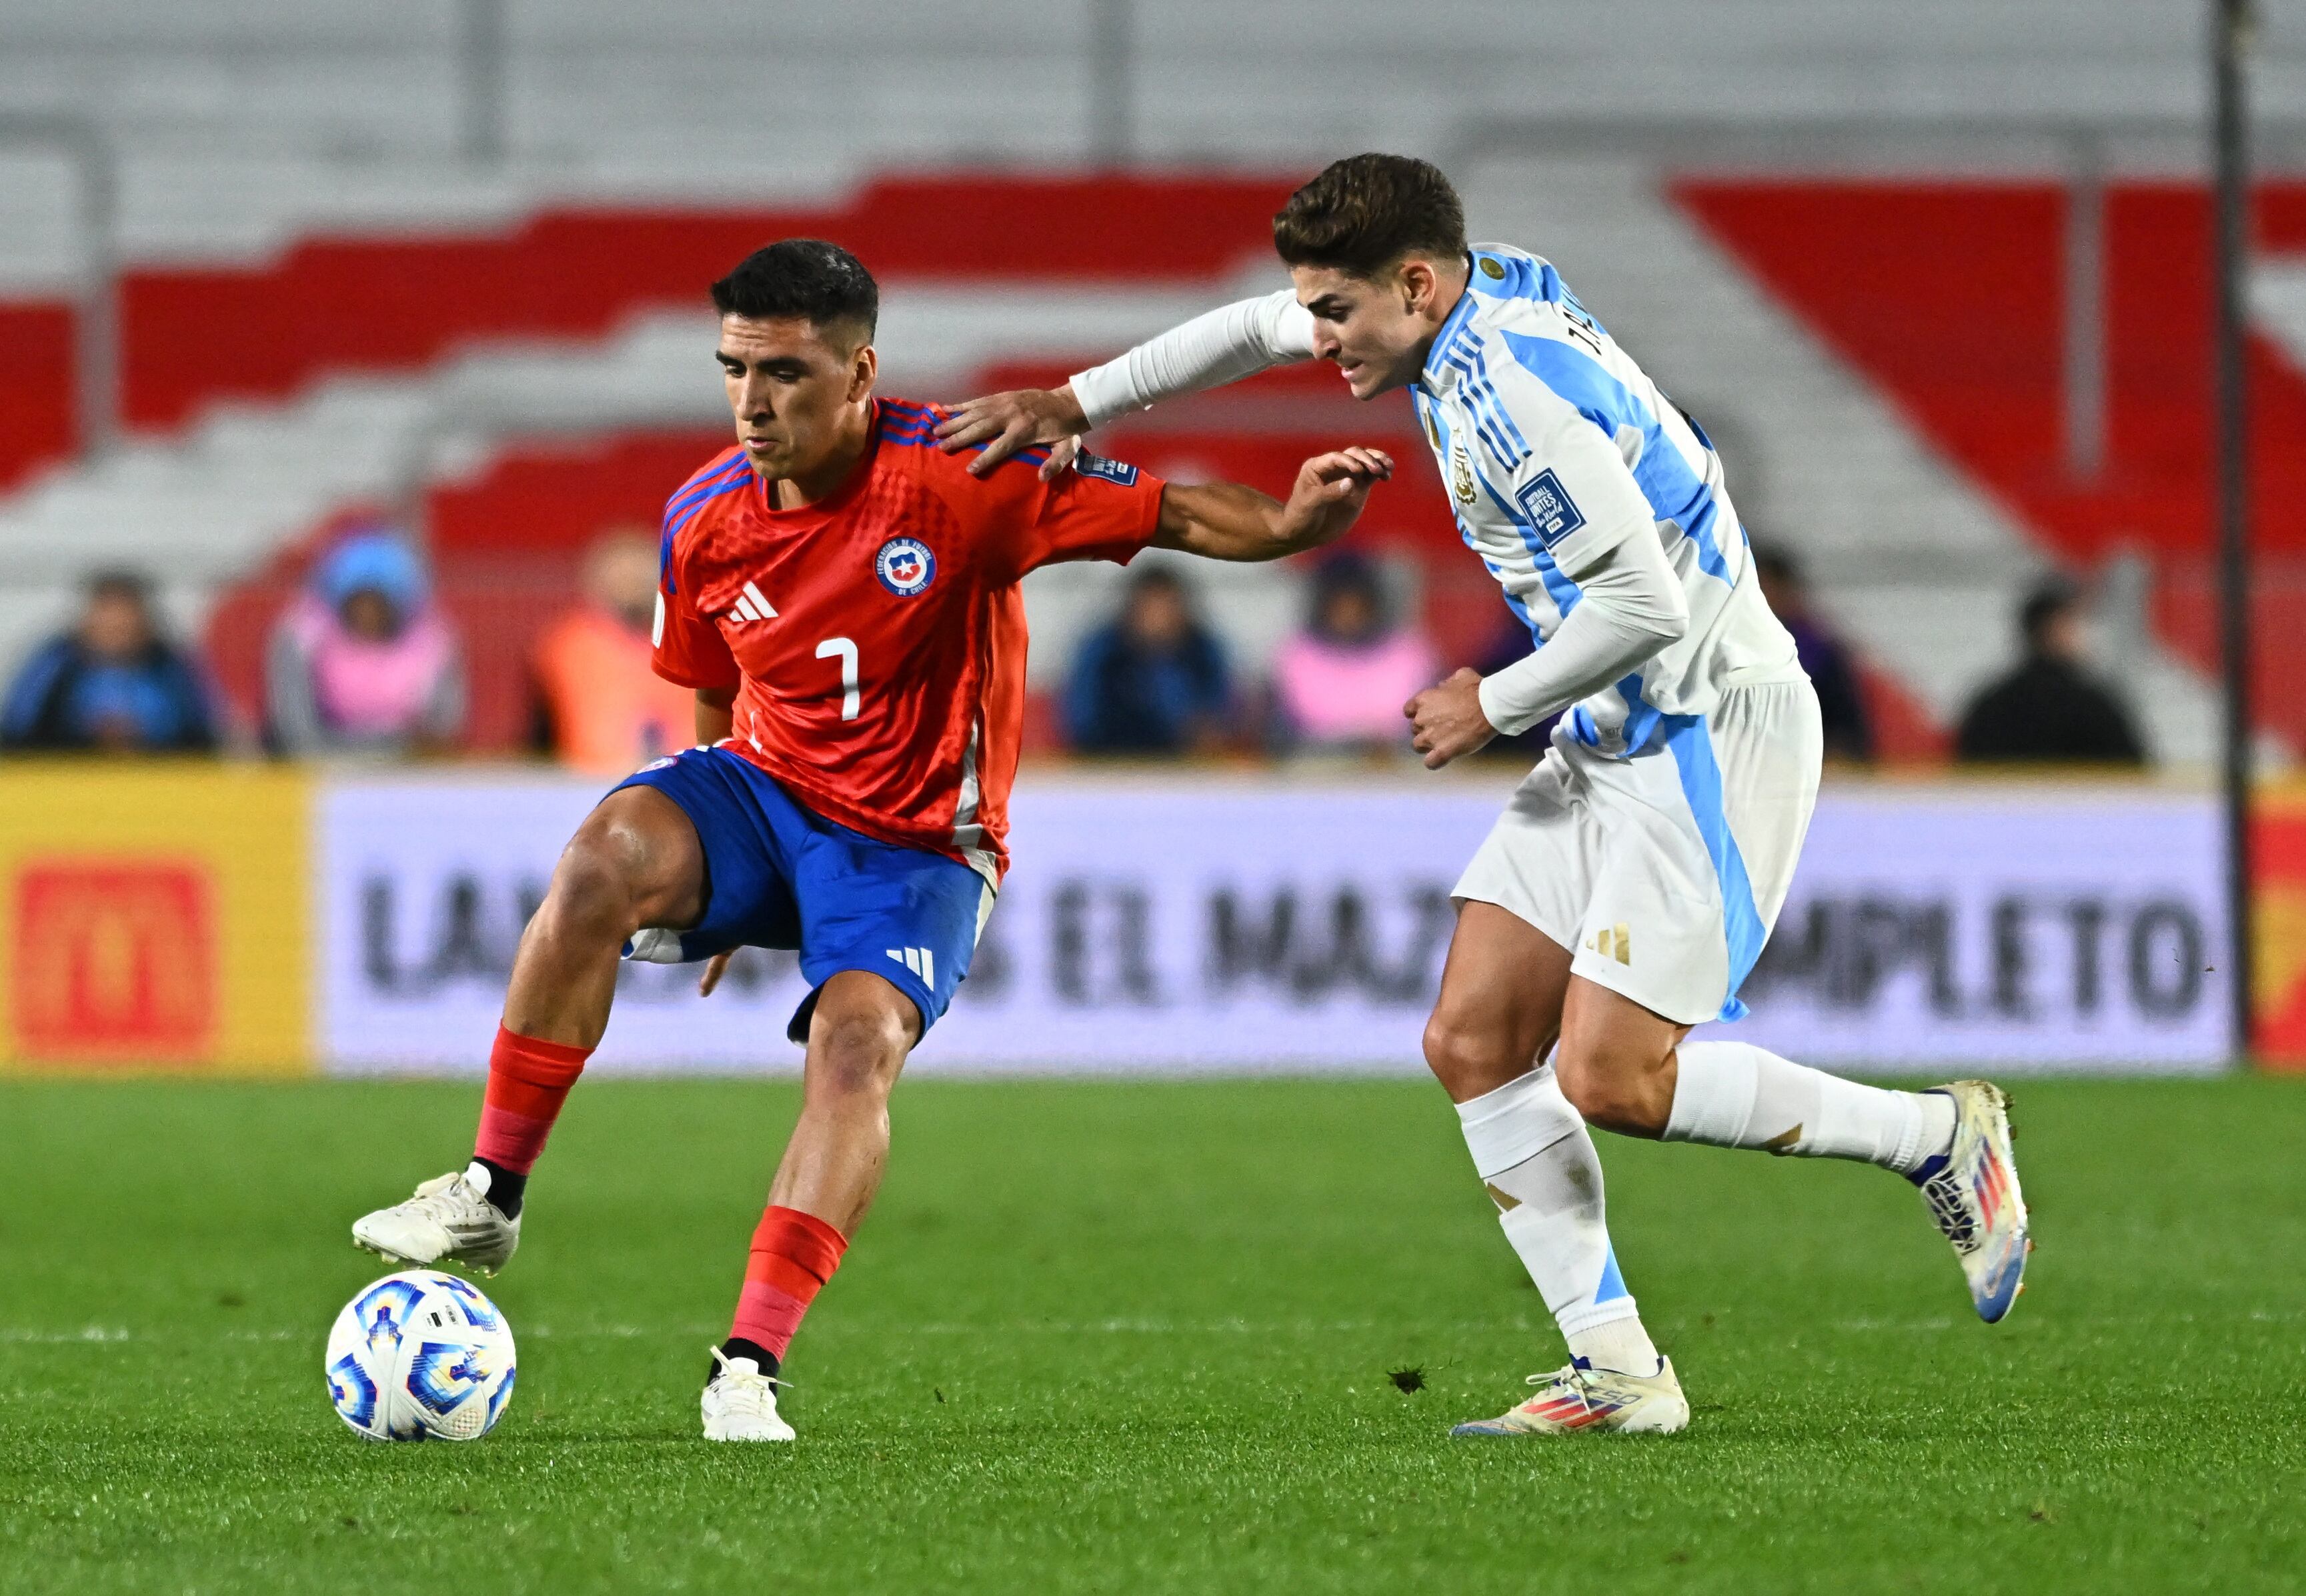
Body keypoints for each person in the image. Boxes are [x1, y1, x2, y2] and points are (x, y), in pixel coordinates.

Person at [938, 153, 2029, 1438]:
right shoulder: (1452, 304)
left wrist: (1490, 703)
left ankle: (1934, 1134)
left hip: (1704, 726)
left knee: (1617, 1075)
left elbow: (1644, 603)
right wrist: (1076, 399)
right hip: (1613, 721)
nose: (1318, 337)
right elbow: (1247, 327)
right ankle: (1617, 1369)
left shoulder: (1513, 391)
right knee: (1469, 1039)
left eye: (1335, 312)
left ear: (1412, 282)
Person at [347, 239, 1394, 1443]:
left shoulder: (961, 473)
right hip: (768, 792)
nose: (752, 401)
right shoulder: (699, 517)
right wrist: (700, 876)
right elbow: (709, 694)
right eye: (735, 369)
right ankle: (490, 1192)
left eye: (785, 373)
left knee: (853, 1048)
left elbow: (1173, 512)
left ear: (860, 374)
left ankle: (747, 1365)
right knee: (600, 859)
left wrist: (1296, 524)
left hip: (914, 846)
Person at [267, 529, 466, 757]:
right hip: (322, 763)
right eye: (359, 604)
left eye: (377, 606)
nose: (367, 615)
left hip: (407, 768)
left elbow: (444, 726)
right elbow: (295, 728)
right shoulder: (304, 639)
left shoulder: (434, 644)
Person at [533, 527, 701, 775]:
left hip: (681, 779)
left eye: (639, 577)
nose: (632, 586)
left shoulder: (690, 641)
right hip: (591, 781)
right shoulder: (571, 645)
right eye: (623, 578)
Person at [0, 571, 218, 754]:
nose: (116, 627)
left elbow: (203, 736)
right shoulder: (54, 663)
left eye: (125, 619)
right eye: (108, 617)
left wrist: (143, 740)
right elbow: (17, 732)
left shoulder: (172, 667)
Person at [1956, 579, 2146, 765]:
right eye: (2079, 624)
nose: (2086, 635)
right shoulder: (2091, 706)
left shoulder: (1990, 705)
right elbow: (2133, 773)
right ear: (2056, 629)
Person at [1270, 549, 1436, 754]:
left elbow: (1424, 725)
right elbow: (1289, 732)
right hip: (1316, 768)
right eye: (1339, 606)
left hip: (1400, 766)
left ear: (1372, 604)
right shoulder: (1297, 656)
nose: (1349, 615)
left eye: (1356, 605)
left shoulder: (1409, 653)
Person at [1062, 565, 1233, 754]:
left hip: (1185, 768)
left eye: (1167, 608)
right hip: (1111, 766)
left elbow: (1220, 717)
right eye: (1150, 608)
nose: (1158, 619)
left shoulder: (1204, 652)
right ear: (1133, 609)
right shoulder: (1103, 651)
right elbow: (1081, 720)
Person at [1752, 545, 1873, 763]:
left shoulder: (1820, 653)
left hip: (1809, 769)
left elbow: (1847, 729)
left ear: (1786, 590)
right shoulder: (1727, 648)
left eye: (1766, 587)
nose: (1760, 597)